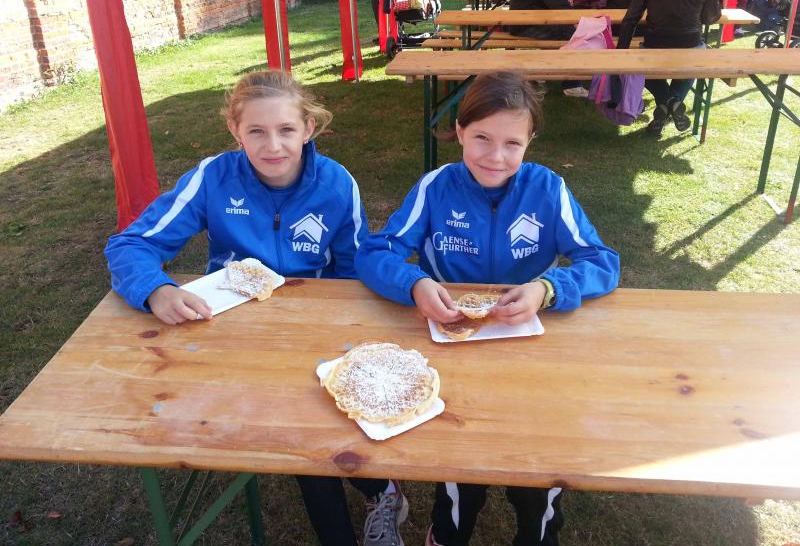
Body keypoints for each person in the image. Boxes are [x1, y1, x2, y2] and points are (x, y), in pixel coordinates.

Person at [104, 70, 406, 546]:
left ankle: (379, 492)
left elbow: (352, 267)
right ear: (235, 131)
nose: (273, 146)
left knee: (304, 426)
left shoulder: (335, 183)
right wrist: (156, 289)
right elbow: (132, 243)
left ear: (308, 128)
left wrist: (336, 332)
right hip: (229, 330)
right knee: (294, 428)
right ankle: (381, 489)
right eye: (257, 132)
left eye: (286, 130)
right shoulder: (213, 177)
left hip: (312, 331)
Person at [355, 71, 621, 546]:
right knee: (460, 462)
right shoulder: (436, 187)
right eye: (482, 138)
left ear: (529, 142)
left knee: (537, 467)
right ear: (459, 131)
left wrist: (547, 289)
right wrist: (415, 284)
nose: (495, 156)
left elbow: (602, 261)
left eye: (512, 143)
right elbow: (375, 253)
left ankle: (538, 532)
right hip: (453, 346)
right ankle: (449, 531)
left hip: (531, 352)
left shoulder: (547, 189)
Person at [617, 0, 721, 136]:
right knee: (694, 63)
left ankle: (665, 103)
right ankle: (673, 101)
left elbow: (631, 18)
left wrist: (621, 52)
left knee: (642, 67)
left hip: (654, 44)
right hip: (689, 45)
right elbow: (710, 18)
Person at [510, 0, 588, 96]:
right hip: (524, 23)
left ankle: (542, 75)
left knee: (569, 31)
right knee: (572, 33)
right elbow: (556, 0)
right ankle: (570, 84)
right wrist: (574, 21)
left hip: (533, 19)